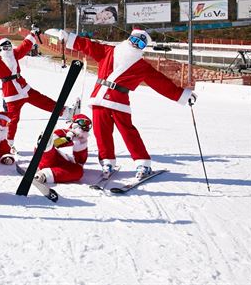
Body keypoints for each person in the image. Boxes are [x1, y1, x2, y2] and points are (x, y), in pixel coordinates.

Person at [59, 27, 197, 179]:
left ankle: (143, 162)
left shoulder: (142, 66)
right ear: (129, 39)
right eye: (134, 40)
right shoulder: (108, 51)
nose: (135, 45)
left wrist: (182, 95)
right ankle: (107, 162)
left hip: (119, 100)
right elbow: (88, 46)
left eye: (140, 44)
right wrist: (69, 38)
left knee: (128, 132)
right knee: (100, 132)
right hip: (99, 98)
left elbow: (161, 83)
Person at [0, 29, 77, 148]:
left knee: (43, 101)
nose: (8, 49)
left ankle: (66, 112)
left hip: (23, 87)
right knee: (13, 120)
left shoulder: (14, 54)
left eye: (9, 46)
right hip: (11, 93)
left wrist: (32, 34)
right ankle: (8, 143)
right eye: (5, 47)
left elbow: (24, 46)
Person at [35, 114, 92, 184]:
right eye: (83, 123)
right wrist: (66, 139)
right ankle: (43, 143)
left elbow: (79, 163)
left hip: (61, 166)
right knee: (49, 147)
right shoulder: (62, 132)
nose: (84, 127)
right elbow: (55, 143)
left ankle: (44, 175)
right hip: (49, 157)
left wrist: (80, 144)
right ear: (74, 123)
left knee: (79, 172)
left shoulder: (82, 143)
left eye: (88, 126)